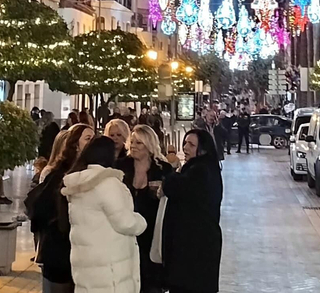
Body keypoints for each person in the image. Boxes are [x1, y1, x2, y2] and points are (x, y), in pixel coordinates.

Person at [63, 136, 147, 293]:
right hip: (110, 270)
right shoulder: (108, 184)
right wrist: (141, 221)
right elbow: (125, 222)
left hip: (87, 266)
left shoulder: (79, 183)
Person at [160, 127, 223, 293]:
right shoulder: (205, 167)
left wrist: (170, 170)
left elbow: (175, 188)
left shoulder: (200, 170)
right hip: (197, 247)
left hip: (193, 251)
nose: (185, 148)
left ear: (202, 149)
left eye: (191, 145)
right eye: (185, 143)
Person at [27, 128, 87, 293]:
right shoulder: (54, 174)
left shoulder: (89, 173)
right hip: (59, 248)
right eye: (87, 138)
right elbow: (41, 210)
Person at [123, 125, 173, 293]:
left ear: (149, 146)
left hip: (152, 235)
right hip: (125, 235)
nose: (133, 146)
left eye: (139, 143)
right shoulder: (121, 167)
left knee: (151, 285)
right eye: (132, 141)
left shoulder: (162, 170)